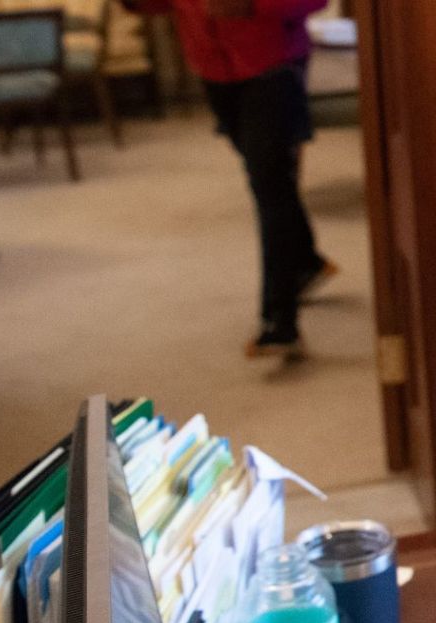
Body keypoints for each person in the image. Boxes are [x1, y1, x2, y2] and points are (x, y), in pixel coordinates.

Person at [132, 0, 334, 359]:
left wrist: (251, 6)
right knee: (271, 180)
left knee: (269, 185)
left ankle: (279, 321)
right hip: (212, 69)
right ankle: (305, 262)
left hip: (274, 66)